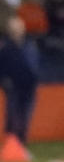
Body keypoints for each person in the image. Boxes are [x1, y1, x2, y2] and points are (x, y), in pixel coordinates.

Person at [0, 15, 39, 151]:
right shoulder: (5, 48)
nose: (17, 30)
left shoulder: (29, 45)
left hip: (29, 87)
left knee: (25, 117)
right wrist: (5, 82)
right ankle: (11, 146)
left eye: (19, 27)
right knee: (13, 116)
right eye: (14, 28)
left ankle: (21, 145)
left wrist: (35, 79)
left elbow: (35, 64)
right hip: (13, 87)